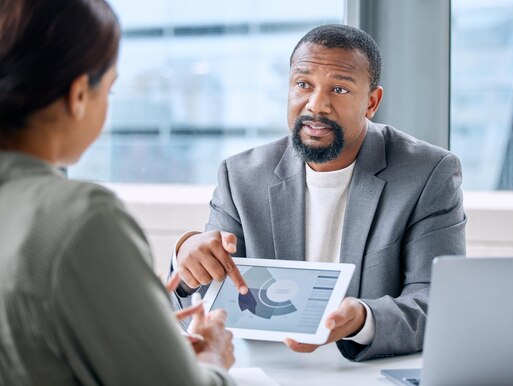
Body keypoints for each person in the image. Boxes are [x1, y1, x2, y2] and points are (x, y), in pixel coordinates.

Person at [0, 1, 235, 385]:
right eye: (111, 90)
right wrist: (213, 361)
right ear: (80, 94)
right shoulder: (82, 219)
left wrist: (140, 339)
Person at [172, 24, 466, 361]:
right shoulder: (240, 176)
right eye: (303, 84)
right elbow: (211, 296)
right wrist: (187, 262)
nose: (316, 105)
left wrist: (362, 320)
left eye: (339, 89)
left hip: (366, 374)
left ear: (371, 102)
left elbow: (437, 302)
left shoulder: (428, 173)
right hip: (266, 372)